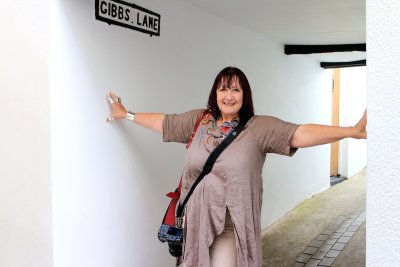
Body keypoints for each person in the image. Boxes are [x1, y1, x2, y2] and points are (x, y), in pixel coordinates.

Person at [106, 66, 367, 267]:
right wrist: (126, 114)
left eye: (235, 90)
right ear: (215, 93)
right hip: (195, 222)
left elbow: (299, 133)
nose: (228, 96)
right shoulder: (200, 121)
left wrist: (349, 131)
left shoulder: (259, 128)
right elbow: (165, 123)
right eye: (223, 89)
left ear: (245, 95)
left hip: (232, 227)